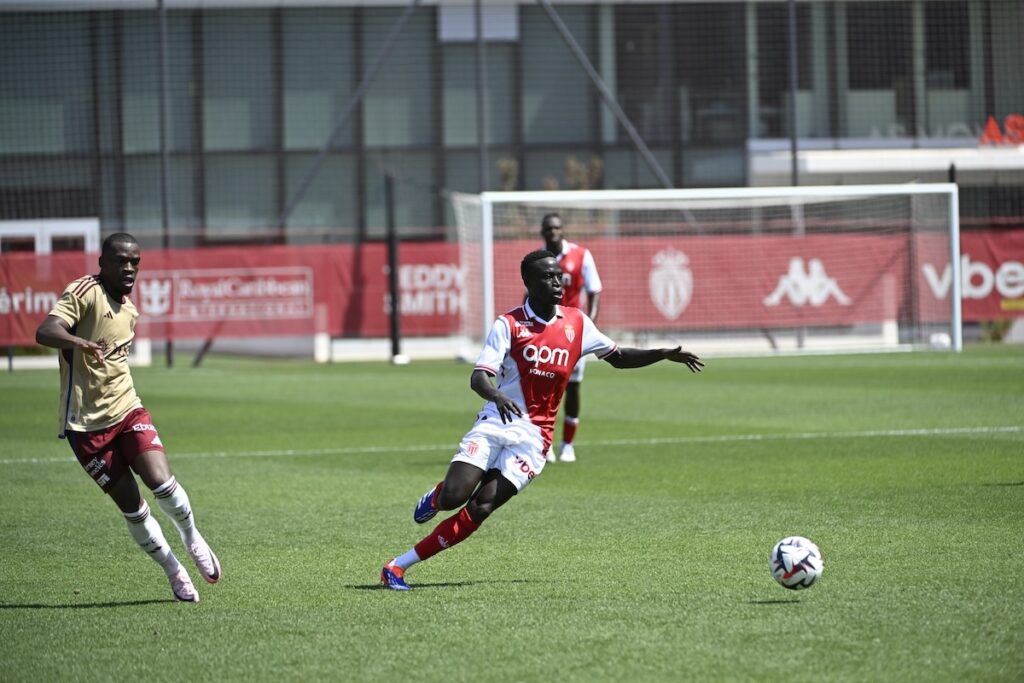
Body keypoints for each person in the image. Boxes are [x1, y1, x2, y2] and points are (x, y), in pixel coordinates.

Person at [380, 249, 703, 590]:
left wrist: (663, 354)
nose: (557, 282)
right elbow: (478, 377)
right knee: (454, 497)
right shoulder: (508, 324)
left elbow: (618, 357)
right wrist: (496, 395)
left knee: (481, 507)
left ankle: (397, 567)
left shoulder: (578, 322)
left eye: (558, 275)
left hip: (535, 439)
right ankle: (438, 495)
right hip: (496, 421)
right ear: (529, 283)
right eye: (547, 277)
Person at [35, 232, 221, 603]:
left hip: (127, 409)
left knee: (161, 481)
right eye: (121, 260)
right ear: (102, 262)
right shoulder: (84, 292)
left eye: (135, 261)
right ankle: (173, 570)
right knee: (134, 509)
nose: (129, 268)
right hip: (85, 427)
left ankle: (191, 536)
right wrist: (78, 342)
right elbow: (45, 331)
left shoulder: (130, 308)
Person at [539, 212, 602, 463]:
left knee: (573, 386)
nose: (552, 232)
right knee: (544, 387)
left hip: (572, 331)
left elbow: (594, 290)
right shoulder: (539, 258)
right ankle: (545, 444)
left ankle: (567, 444)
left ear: (562, 230)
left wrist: (590, 326)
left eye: (556, 228)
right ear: (542, 233)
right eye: (548, 229)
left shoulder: (581, 255)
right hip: (545, 331)